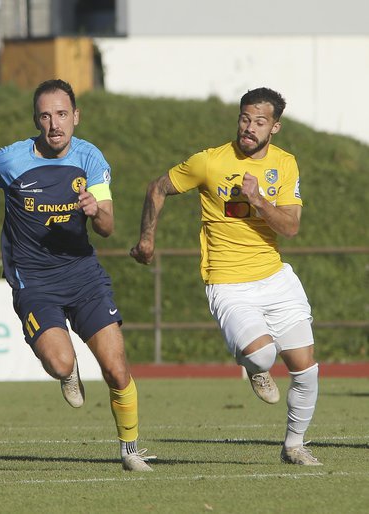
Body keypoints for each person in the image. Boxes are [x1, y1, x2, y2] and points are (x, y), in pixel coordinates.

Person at [0, 79, 153, 471]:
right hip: (34, 282)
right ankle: (67, 374)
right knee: (59, 362)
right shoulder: (12, 159)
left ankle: (130, 449)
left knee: (117, 369)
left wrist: (95, 210)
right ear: (37, 119)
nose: (55, 124)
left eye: (63, 114)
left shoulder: (90, 159)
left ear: (76, 117)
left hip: (83, 276)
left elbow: (107, 227)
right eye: (46, 116)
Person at [130, 87, 322, 466]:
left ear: (275, 127)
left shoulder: (285, 164)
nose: (249, 127)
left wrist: (259, 200)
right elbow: (158, 187)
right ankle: (255, 368)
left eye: (260, 122)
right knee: (264, 355)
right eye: (245, 118)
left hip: (275, 277)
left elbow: (291, 227)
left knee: (306, 369)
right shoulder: (210, 162)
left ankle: (294, 446)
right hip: (228, 282)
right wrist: (146, 238)